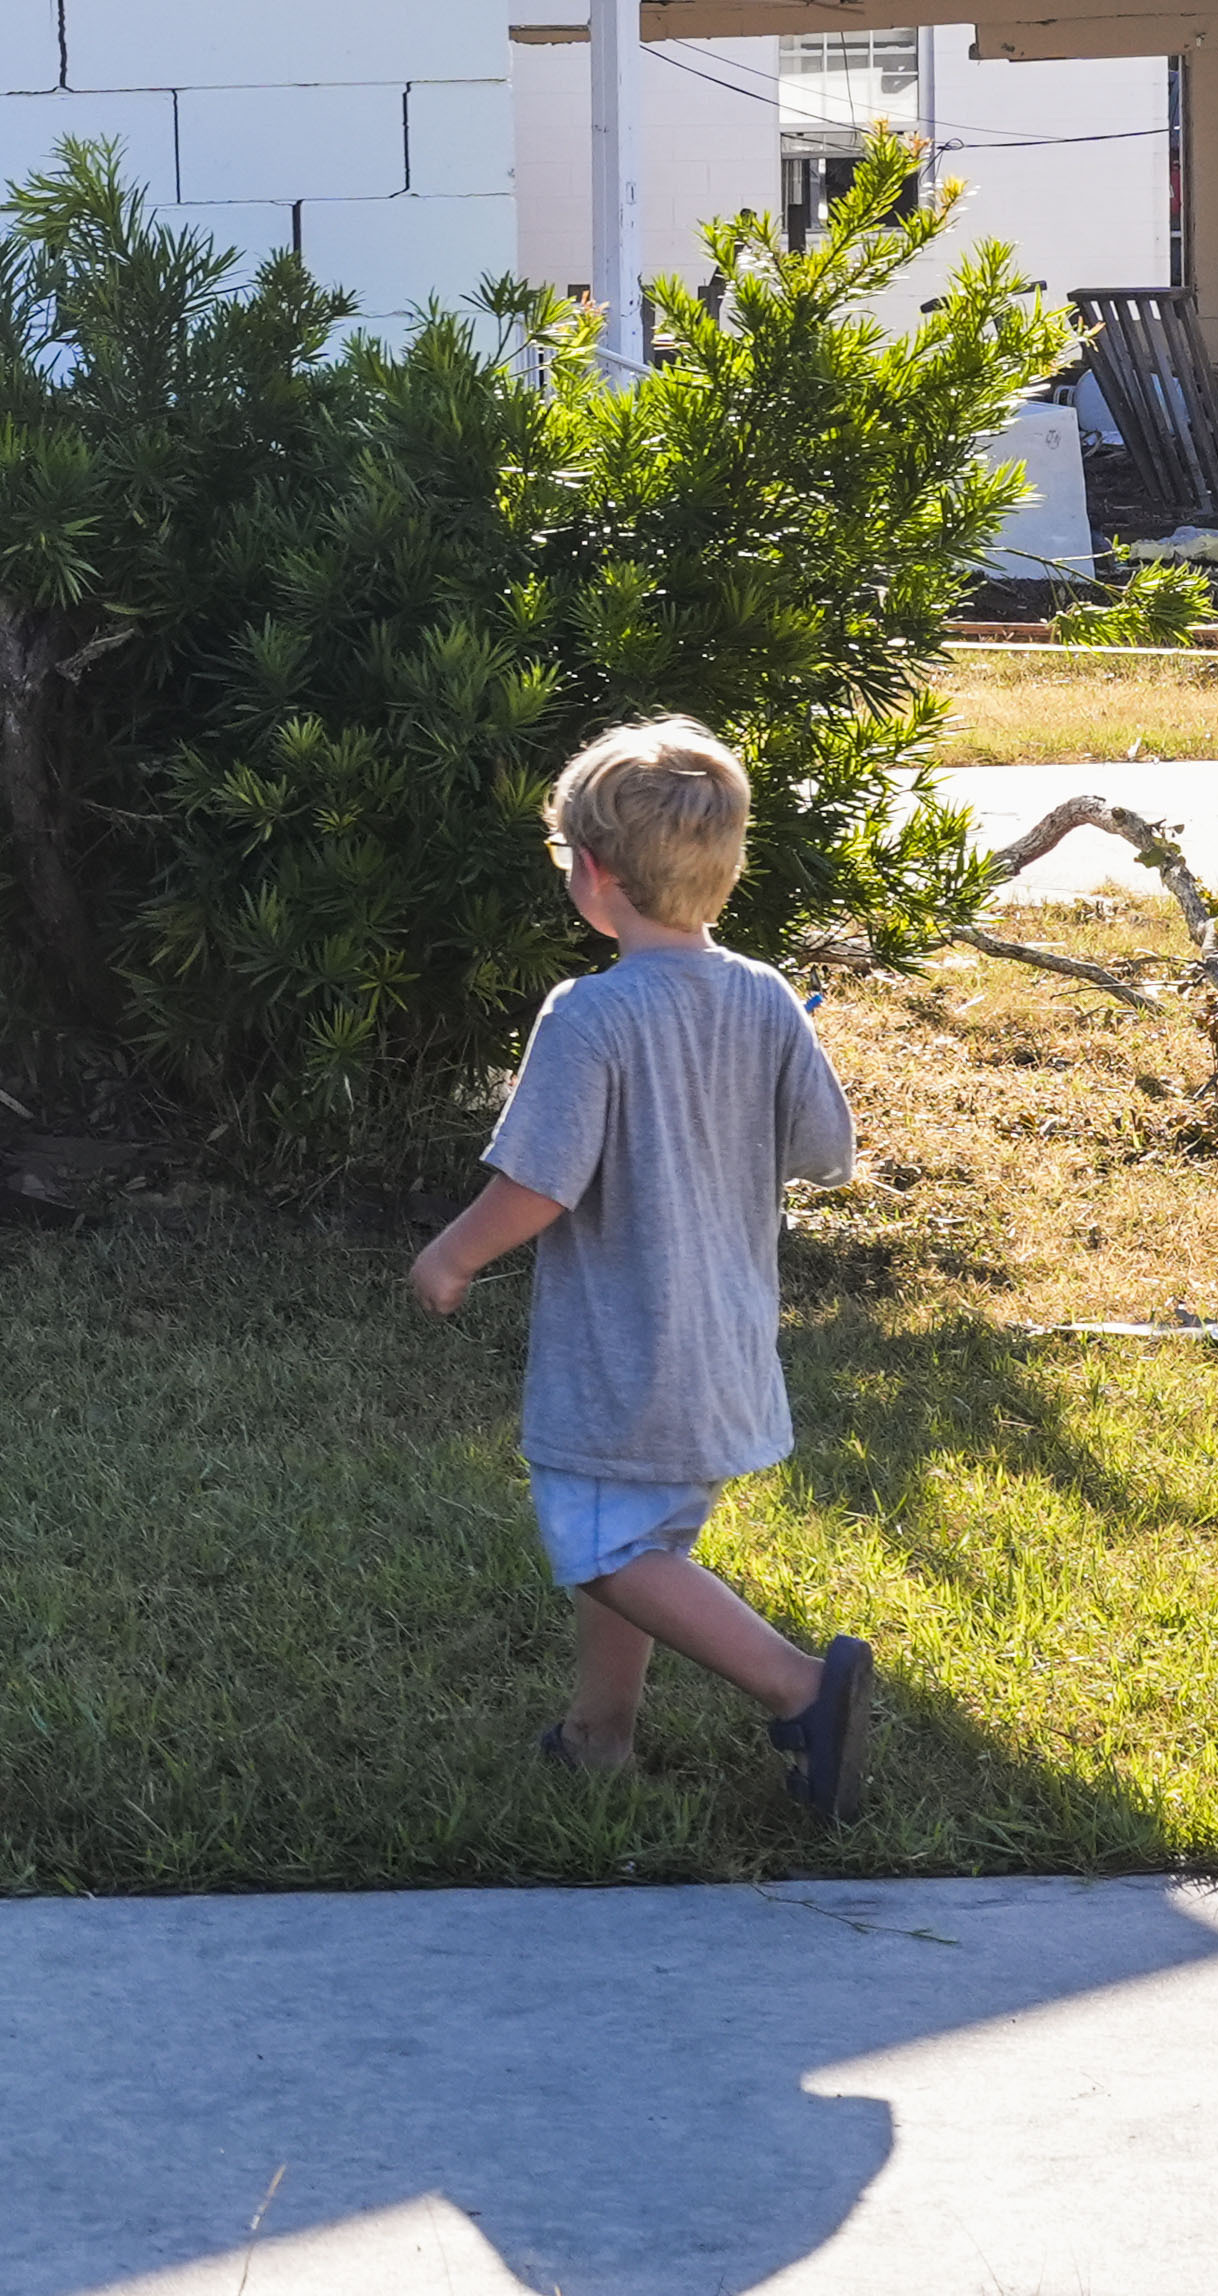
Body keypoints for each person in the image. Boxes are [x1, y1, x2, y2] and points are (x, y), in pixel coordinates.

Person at [408, 716, 877, 1816]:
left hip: (627, 1355)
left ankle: (803, 1686)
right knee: (640, 1540)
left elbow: (538, 1182)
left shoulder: (593, 1013)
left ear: (593, 871)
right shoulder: (762, 992)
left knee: (601, 1547)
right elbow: (826, 1151)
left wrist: (449, 1252)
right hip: (722, 1344)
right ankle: (597, 1732)